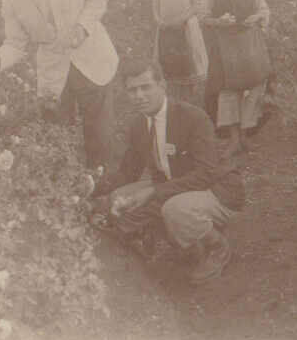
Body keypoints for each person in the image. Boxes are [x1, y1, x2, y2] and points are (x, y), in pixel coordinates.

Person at [92, 58, 244, 286]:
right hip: (176, 187)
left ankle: (217, 247)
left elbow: (206, 174)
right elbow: (127, 174)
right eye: (132, 90)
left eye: (146, 87)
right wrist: (91, 186)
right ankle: (169, 241)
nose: (139, 96)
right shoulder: (138, 125)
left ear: (162, 85)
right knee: (119, 198)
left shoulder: (192, 117)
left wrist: (154, 192)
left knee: (174, 209)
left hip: (217, 189)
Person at [0, 0, 119, 170]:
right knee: (56, 134)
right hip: (54, 70)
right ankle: (67, 195)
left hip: (92, 58)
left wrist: (83, 26)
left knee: (99, 133)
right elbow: (16, 44)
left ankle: (104, 191)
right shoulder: (11, 0)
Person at [201, 0, 271, 155]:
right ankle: (233, 140)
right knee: (228, 91)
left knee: (254, 86)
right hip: (225, 45)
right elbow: (203, 16)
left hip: (249, 42)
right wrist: (218, 21)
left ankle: (245, 135)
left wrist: (256, 18)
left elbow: (264, 9)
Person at [151, 0, 208, 106]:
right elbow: (155, 1)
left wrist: (181, 20)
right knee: (168, 66)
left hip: (186, 28)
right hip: (165, 29)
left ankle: (189, 104)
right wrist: (158, 19)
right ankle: (171, 104)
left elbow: (198, 3)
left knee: (187, 67)